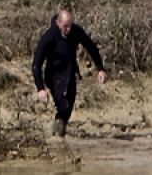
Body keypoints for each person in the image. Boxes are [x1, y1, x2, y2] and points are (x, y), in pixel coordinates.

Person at [31, 8, 106, 137]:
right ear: (58, 23)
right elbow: (36, 65)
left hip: (70, 72)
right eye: (65, 26)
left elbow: (91, 47)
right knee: (63, 106)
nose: (68, 30)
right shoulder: (49, 37)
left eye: (70, 26)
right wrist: (40, 88)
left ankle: (58, 130)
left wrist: (100, 68)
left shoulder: (75, 31)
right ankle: (58, 131)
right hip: (53, 75)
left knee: (68, 106)